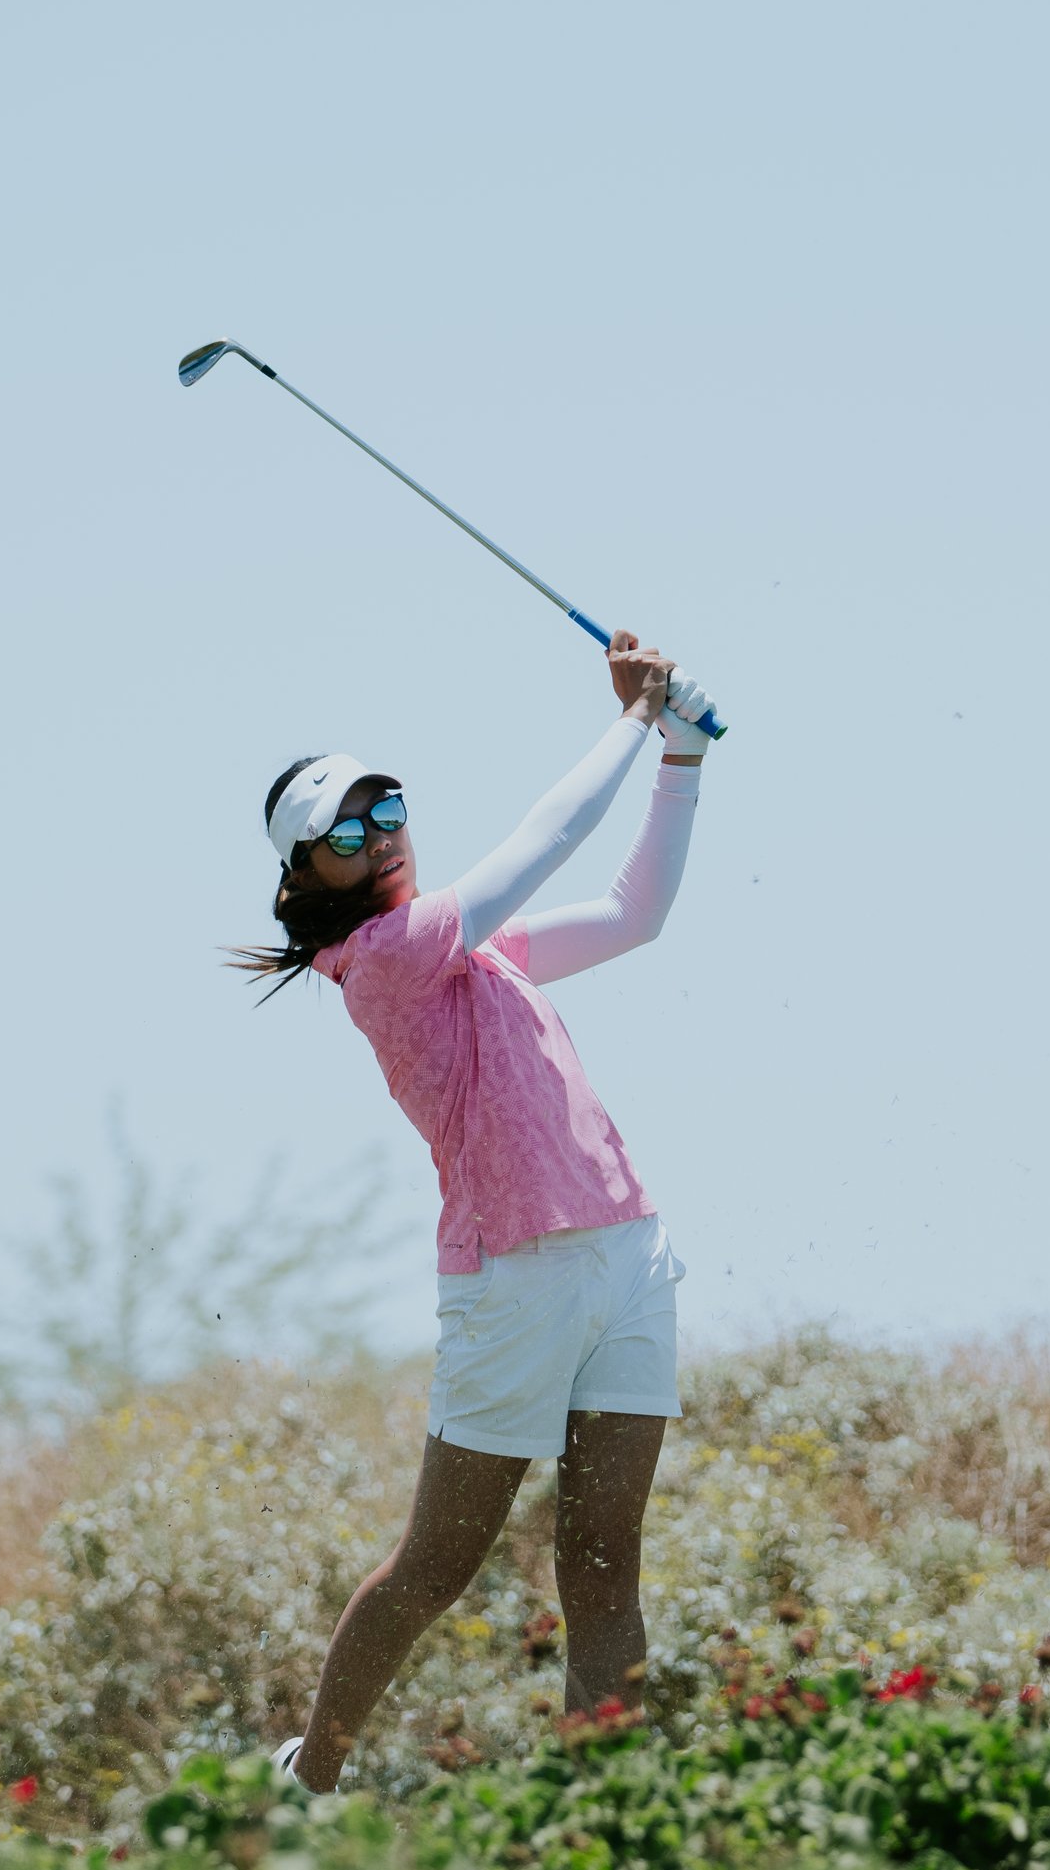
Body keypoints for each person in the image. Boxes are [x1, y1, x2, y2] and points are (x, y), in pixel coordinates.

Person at [232, 633, 714, 1791]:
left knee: (605, 1564)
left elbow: (634, 913)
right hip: (516, 1281)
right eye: (344, 832)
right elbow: (543, 843)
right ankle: (311, 1780)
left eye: (383, 804)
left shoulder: (477, 953)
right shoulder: (387, 956)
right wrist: (635, 717)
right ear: (309, 883)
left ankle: (609, 1814)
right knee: (439, 1560)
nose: (379, 833)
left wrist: (683, 758)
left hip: (629, 1258)